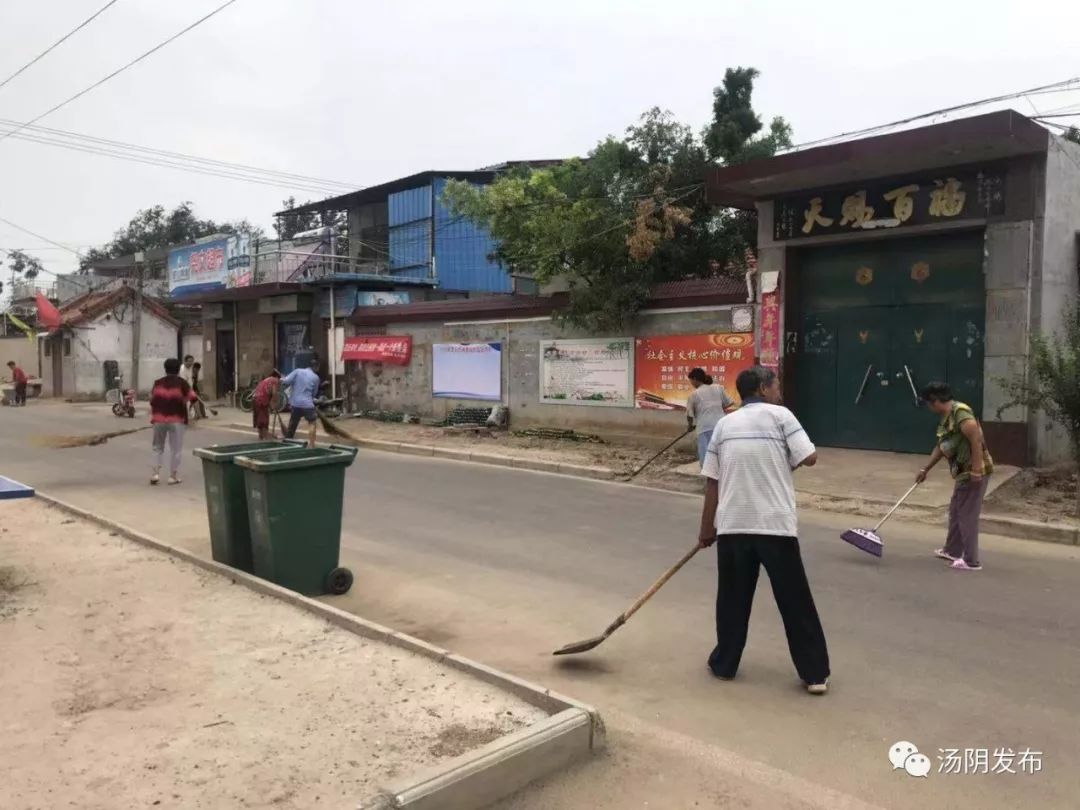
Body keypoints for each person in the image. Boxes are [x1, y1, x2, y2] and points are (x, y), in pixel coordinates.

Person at [697, 365, 830, 695]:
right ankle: (814, 674)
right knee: (795, 601)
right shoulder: (781, 416)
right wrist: (784, 460)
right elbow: (810, 457)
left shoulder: (725, 425)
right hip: (775, 526)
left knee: (732, 601)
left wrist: (706, 529)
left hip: (732, 526)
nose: (779, 389)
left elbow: (712, 482)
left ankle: (724, 664)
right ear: (763, 388)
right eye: (776, 384)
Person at [915, 382, 993, 571]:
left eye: (927, 403)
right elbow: (942, 447)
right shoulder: (947, 418)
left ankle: (971, 560)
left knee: (967, 515)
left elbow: (976, 439)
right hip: (961, 472)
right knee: (956, 510)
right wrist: (925, 469)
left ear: (934, 401)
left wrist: (975, 470)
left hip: (974, 472)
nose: (928, 407)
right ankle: (952, 550)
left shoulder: (961, 414)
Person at [149, 358, 197, 486]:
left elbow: (152, 400)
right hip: (177, 419)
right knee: (176, 448)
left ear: (165, 369)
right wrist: (184, 401)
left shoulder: (157, 383)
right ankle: (172, 476)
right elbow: (193, 397)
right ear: (178, 369)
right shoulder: (182, 383)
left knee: (157, 447)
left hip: (159, 419)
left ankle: (155, 474)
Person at [685, 367, 736, 464]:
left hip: (705, 428)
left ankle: (709, 475)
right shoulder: (718, 388)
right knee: (720, 451)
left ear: (695, 379)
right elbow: (729, 402)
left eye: (691, 381)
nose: (691, 383)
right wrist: (717, 409)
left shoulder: (694, 394)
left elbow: (689, 415)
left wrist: (690, 426)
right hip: (721, 425)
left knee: (707, 454)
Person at [281, 356, 321, 446]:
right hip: (308, 405)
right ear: (316, 367)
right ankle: (312, 444)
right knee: (312, 423)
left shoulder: (297, 371)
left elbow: (286, 381)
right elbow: (314, 393)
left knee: (292, 424)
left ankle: (287, 442)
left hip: (296, 404)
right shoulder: (316, 377)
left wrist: (281, 378)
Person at [252, 370, 282, 440]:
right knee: (264, 420)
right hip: (261, 400)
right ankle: (266, 436)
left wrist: (271, 403)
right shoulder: (274, 380)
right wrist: (274, 403)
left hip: (255, 399)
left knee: (259, 419)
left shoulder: (265, 380)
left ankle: (261, 435)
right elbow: (274, 393)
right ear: (277, 377)